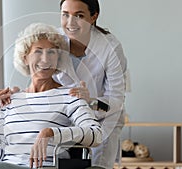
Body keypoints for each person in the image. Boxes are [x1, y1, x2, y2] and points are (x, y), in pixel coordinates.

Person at [0, 23, 103, 169]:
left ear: (58, 59)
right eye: (38, 51)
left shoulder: (70, 96)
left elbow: (96, 134)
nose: (45, 59)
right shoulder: (11, 100)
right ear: (25, 58)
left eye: (52, 52)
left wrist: (51, 133)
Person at [53, 0, 128, 169]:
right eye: (65, 15)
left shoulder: (110, 47)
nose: (70, 23)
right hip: (63, 116)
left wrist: (91, 102)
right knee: (57, 161)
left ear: (94, 16)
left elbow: (116, 99)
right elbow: (39, 80)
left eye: (79, 16)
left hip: (102, 117)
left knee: (97, 165)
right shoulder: (53, 42)